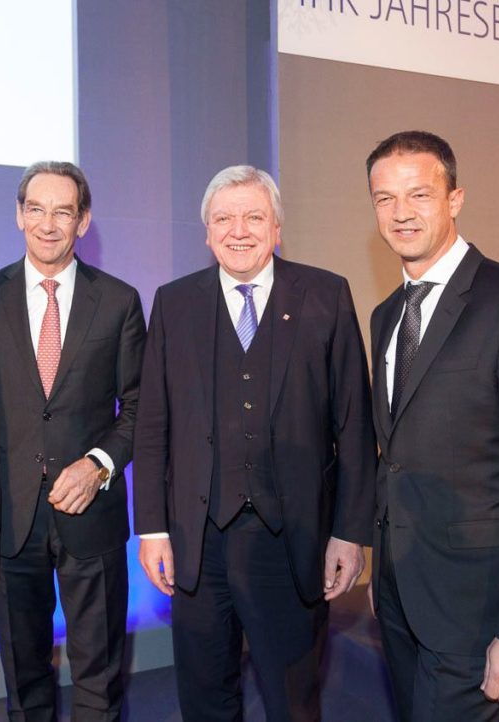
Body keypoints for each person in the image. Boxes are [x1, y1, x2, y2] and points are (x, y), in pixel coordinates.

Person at [133, 165, 377, 721]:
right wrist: (151, 528)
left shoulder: (326, 294)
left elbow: (354, 424)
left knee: (292, 698)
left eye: (253, 216)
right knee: (204, 696)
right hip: (198, 543)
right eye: (223, 218)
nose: (237, 230)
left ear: (277, 228)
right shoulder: (174, 303)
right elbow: (152, 426)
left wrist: (349, 532)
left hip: (292, 541)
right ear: (206, 231)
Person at [365, 130, 499, 721]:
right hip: (401, 600)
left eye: (419, 195)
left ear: (455, 199)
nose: (401, 213)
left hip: (480, 613)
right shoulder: (387, 316)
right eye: (384, 199)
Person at [0, 161, 146, 722]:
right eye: (35, 209)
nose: (48, 223)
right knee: (24, 679)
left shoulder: (118, 300)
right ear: (19, 216)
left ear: (82, 221)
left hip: (93, 515)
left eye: (62, 211)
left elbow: (139, 406)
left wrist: (99, 463)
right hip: (9, 522)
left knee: (99, 676)